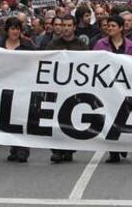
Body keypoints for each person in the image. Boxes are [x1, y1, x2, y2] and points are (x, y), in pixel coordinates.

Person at [94, 15, 132, 163]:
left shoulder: (130, 46)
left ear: (120, 28)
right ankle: (113, 150)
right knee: (109, 118)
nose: (110, 28)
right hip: (107, 88)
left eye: (113, 26)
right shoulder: (100, 45)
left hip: (124, 88)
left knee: (123, 117)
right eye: (108, 26)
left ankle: (122, 146)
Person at [46, 15, 88, 163]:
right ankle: (57, 150)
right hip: (57, 88)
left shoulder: (82, 46)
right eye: (64, 26)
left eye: (69, 25)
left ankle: (69, 149)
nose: (66, 28)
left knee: (70, 119)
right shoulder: (52, 45)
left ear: (74, 27)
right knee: (55, 119)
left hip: (74, 89)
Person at [0, 17, 33, 163]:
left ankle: (23, 149)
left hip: (22, 89)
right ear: (7, 30)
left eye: (18, 28)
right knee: (7, 118)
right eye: (12, 28)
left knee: (20, 118)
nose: (15, 31)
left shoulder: (27, 46)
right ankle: (14, 147)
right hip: (3, 88)